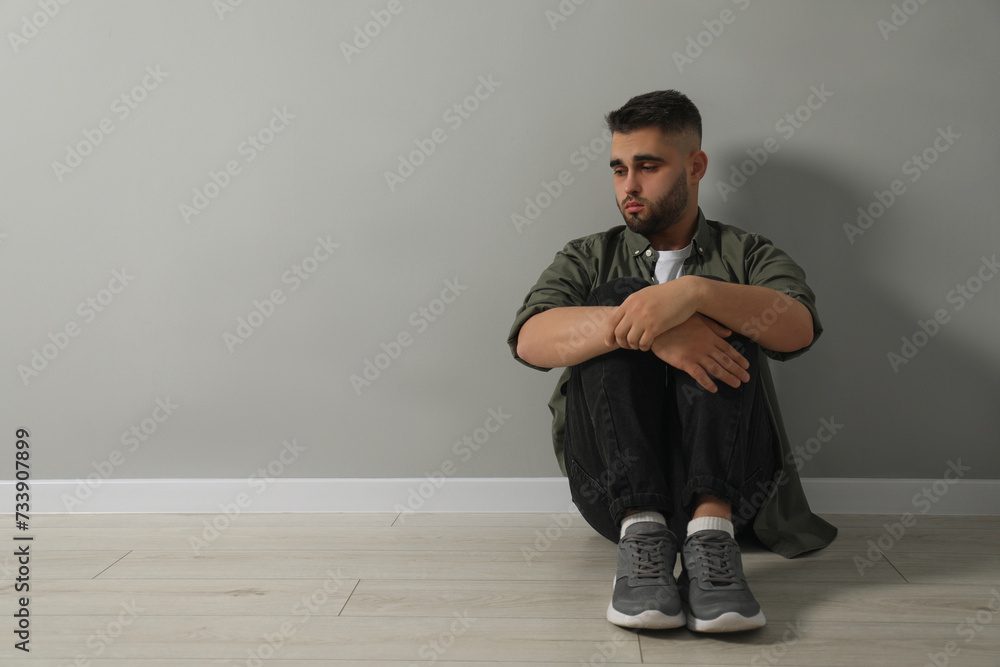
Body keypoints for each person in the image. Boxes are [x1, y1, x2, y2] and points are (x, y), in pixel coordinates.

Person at [507, 90, 836, 633]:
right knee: (618, 296)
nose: (629, 186)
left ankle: (711, 537)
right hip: (612, 492)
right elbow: (531, 339)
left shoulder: (747, 253)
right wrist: (654, 332)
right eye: (619, 170)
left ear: (695, 166)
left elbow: (797, 327)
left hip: (737, 487)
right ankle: (644, 531)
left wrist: (696, 294)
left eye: (648, 167)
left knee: (732, 303)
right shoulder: (586, 255)